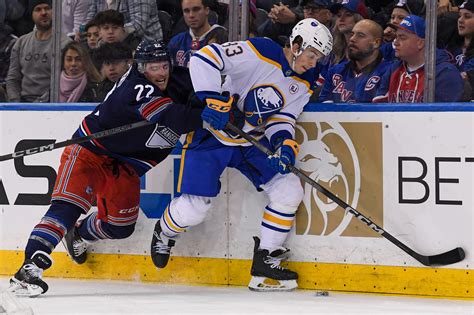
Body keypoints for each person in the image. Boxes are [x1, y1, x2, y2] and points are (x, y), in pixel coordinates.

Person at [8, 39, 205, 297]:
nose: (161, 73)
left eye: (164, 66)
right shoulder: (136, 87)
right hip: (90, 153)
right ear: (141, 67)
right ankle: (29, 268)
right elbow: (176, 119)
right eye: (153, 67)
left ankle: (78, 234)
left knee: (120, 227)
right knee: (66, 207)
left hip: (125, 167)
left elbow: (204, 85)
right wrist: (206, 117)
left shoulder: (177, 78)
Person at [149, 18, 333, 292]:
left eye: (319, 58)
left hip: (250, 141)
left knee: (289, 191)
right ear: (296, 45)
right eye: (312, 54)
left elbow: (282, 117)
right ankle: (164, 231)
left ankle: (265, 260)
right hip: (212, 135)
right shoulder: (262, 51)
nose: (314, 63)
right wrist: (212, 98)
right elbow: (205, 58)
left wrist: (284, 143)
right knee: (194, 208)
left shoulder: (304, 82)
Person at [373, 15, 464, 103]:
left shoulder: (445, 73)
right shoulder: (393, 69)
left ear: (420, 43)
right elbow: (380, 108)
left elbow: (444, 114)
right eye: (396, 37)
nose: (395, 43)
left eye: (402, 37)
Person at [6, 0, 70, 102]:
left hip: (52, 105)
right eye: (38, 9)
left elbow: (65, 81)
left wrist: (39, 104)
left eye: (47, 8)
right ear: (32, 14)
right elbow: (13, 78)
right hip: (22, 105)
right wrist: (15, 103)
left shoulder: (65, 44)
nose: (44, 13)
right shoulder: (20, 43)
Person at [319, 19, 391, 103]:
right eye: (352, 34)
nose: (352, 39)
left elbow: (381, 111)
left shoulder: (388, 72)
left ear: (376, 42)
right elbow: (324, 108)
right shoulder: (336, 71)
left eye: (360, 35)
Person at [168, 0, 227, 67]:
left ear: (207, 10)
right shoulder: (175, 42)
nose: (191, 15)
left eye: (196, 9)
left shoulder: (222, 38)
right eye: (186, 11)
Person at [83, 0, 163, 42]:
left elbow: (138, 26)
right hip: (108, 43)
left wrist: (108, 31)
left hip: (144, 46)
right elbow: (91, 22)